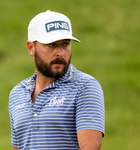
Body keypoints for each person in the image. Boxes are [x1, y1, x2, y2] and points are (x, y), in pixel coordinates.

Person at [9, 10, 105, 150]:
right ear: (31, 48)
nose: (60, 52)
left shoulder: (85, 87)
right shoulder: (17, 94)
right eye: (52, 44)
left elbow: (90, 147)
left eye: (65, 44)